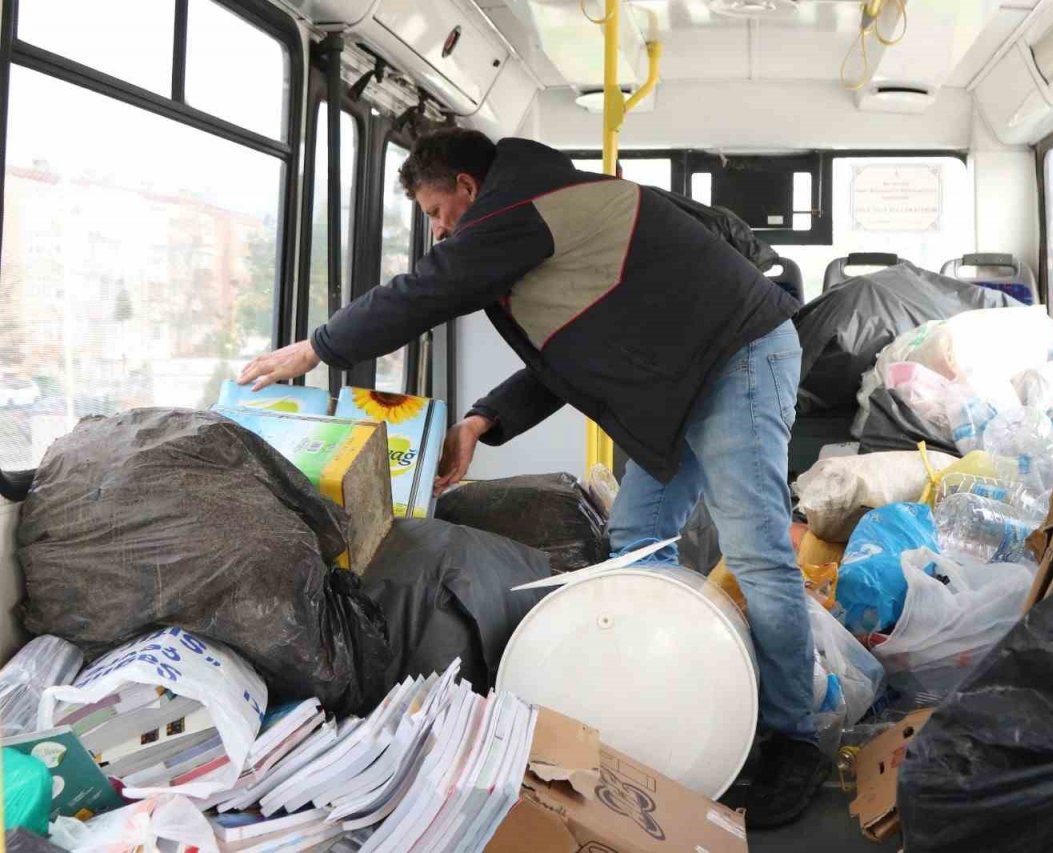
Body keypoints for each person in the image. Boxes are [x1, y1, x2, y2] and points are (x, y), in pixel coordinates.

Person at [238, 128, 826, 827]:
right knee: (638, 534)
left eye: (435, 211)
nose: (437, 230)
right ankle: (671, 688)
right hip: (688, 378)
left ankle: (798, 737)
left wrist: (318, 347)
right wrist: (482, 422)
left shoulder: (529, 205)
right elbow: (562, 361)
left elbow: (424, 291)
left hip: (738, 355)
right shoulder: (531, 227)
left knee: (756, 548)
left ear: (466, 186)